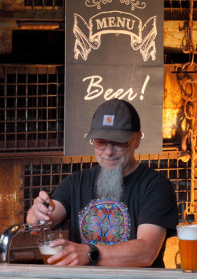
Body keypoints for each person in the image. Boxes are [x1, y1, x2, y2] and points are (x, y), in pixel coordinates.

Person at [25, 99, 178, 267]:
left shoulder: (156, 185)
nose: (108, 152)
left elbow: (146, 252)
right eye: (101, 143)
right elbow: (39, 223)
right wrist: (36, 214)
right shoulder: (76, 182)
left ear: (137, 140)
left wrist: (90, 254)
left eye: (118, 143)